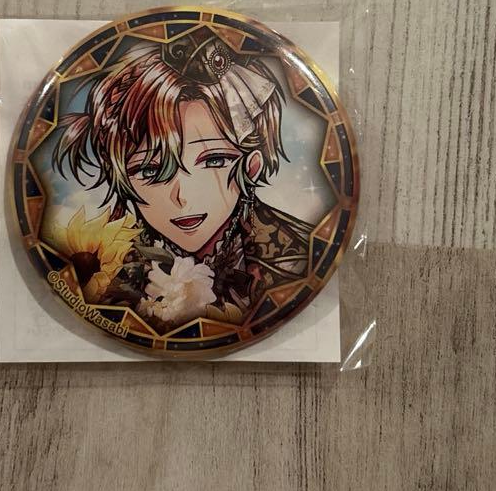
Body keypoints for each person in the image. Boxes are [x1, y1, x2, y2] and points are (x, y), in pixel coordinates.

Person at [51, 29, 314, 329]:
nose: (182, 197)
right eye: (150, 171)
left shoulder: (297, 257)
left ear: (251, 166)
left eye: (213, 161)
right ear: (121, 176)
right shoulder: (104, 268)